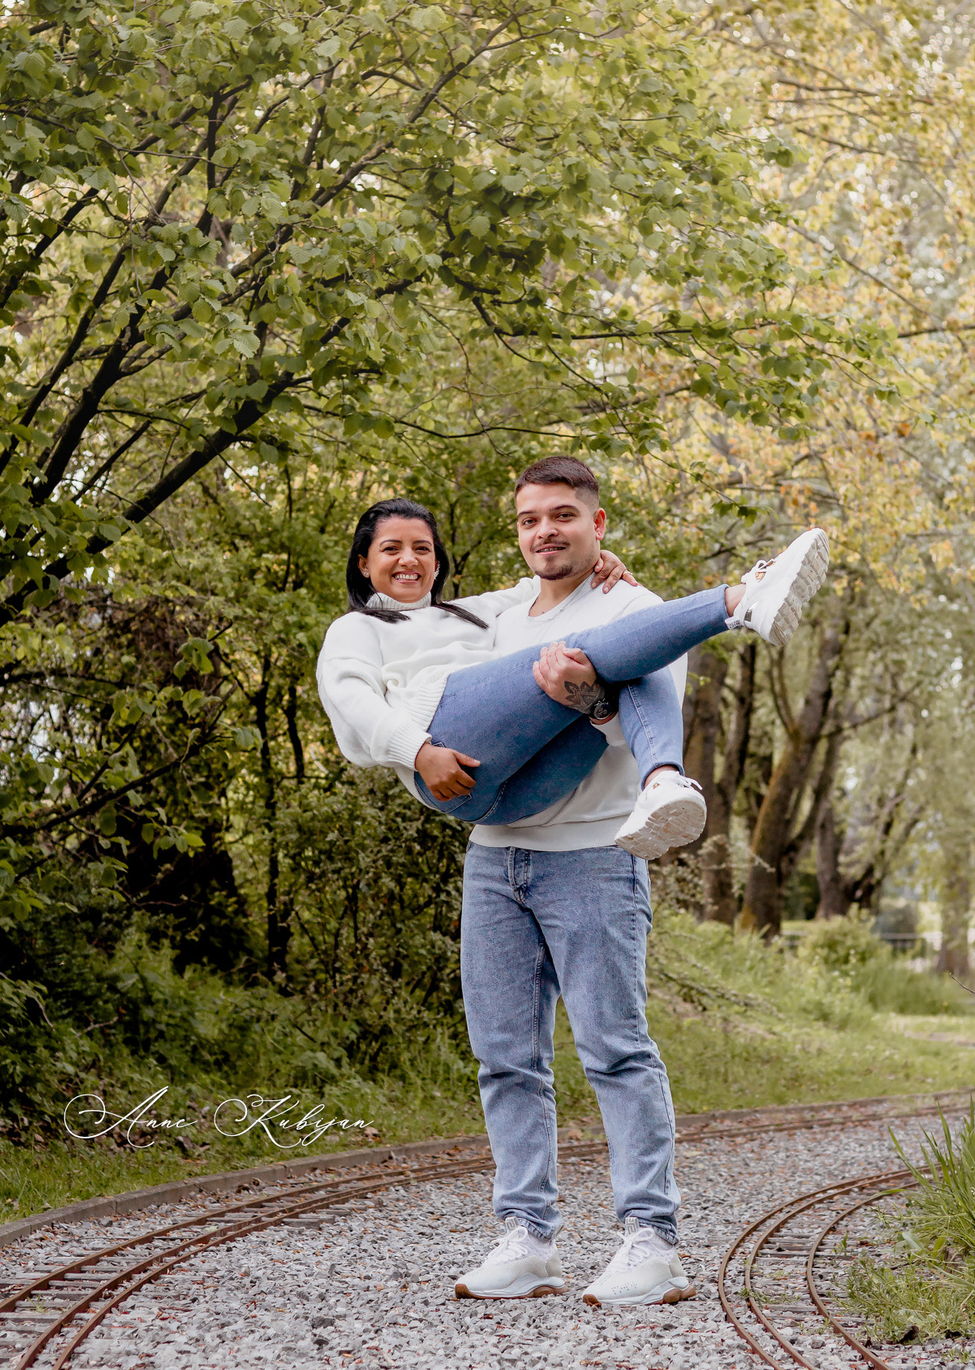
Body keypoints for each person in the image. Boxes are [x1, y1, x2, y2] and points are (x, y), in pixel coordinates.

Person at [316, 455, 829, 1307]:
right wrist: (421, 748)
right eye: (529, 521)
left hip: (592, 849)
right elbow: (359, 700)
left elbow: (622, 715)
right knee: (504, 1057)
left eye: (563, 517)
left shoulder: (629, 607)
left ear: (597, 524)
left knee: (614, 1049)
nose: (545, 532)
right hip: (489, 838)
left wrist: (595, 692)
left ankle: (651, 1241)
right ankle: (527, 1236)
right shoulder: (496, 614)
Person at [316, 493, 829, 858]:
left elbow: (540, 580)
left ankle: (661, 781)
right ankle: (740, 600)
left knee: (621, 657)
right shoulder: (355, 628)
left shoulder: (468, 612)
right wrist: (418, 751)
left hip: (514, 797)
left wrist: (598, 560)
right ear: (364, 564)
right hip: (443, 756)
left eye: (422, 549)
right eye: (391, 549)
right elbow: (353, 705)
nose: (409, 560)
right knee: (578, 651)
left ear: (436, 561)